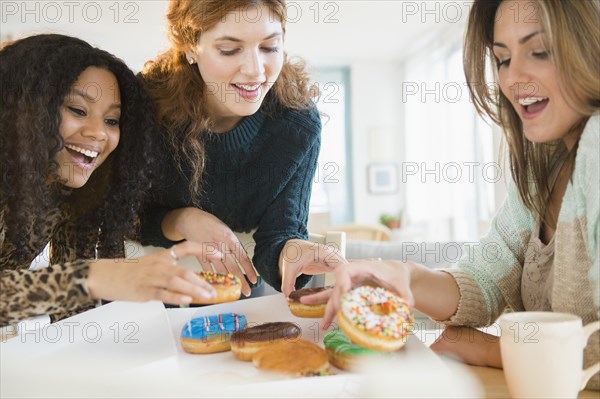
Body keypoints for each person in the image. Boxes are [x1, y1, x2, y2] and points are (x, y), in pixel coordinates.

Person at [303, 0, 599, 389]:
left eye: (539, 51)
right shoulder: (538, 169)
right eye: (503, 59)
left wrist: (495, 351)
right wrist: (404, 275)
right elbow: (485, 280)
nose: (513, 78)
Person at [0, 34, 216, 327]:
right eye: (78, 110)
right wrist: (93, 277)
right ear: (27, 108)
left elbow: (73, 316)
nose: (99, 133)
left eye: (111, 121)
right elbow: (77, 281)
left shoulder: (68, 192)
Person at [139, 0, 343, 298]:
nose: (255, 70)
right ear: (189, 47)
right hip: (147, 292)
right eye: (230, 49)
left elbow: (281, 232)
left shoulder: (297, 122)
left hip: (242, 291)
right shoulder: (142, 108)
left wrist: (292, 250)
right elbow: (116, 219)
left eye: (269, 47)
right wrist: (182, 220)